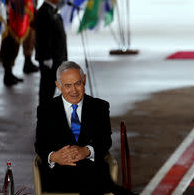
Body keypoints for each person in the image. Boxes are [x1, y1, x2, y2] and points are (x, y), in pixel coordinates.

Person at [35, 61, 135, 195]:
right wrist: (53, 157)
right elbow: (40, 144)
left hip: (92, 170)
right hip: (59, 174)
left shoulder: (100, 107)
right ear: (58, 85)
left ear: (85, 80)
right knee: (96, 179)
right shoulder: (46, 110)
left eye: (78, 83)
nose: (74, 90)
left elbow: (105, 141)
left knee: (90, 172)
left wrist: (86, 151)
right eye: (68, 86)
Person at [35, 0, 67, 105]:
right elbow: (43, 37)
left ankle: (48, 112)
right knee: (46, 89)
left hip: (57, 58)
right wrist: (47, 57)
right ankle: (44, 114)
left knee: (51, 88)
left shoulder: (53, 10)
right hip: (49, 59)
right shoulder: (43, 12)